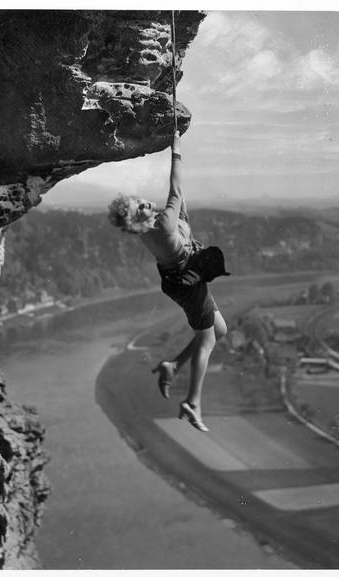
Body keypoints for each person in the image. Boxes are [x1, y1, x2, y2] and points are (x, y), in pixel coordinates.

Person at [107, 131, 228, 432]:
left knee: (220, 329)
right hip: (188, 282)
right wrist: (176, 150)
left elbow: (179, 205)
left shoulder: (150, 230)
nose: (147, 203)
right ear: (140, 220)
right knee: (208, 339)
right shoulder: (162, 224)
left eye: (141, 202)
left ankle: (172, 366)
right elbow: (175, 189)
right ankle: (193, 402)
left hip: (178, 279)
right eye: (141, 207)